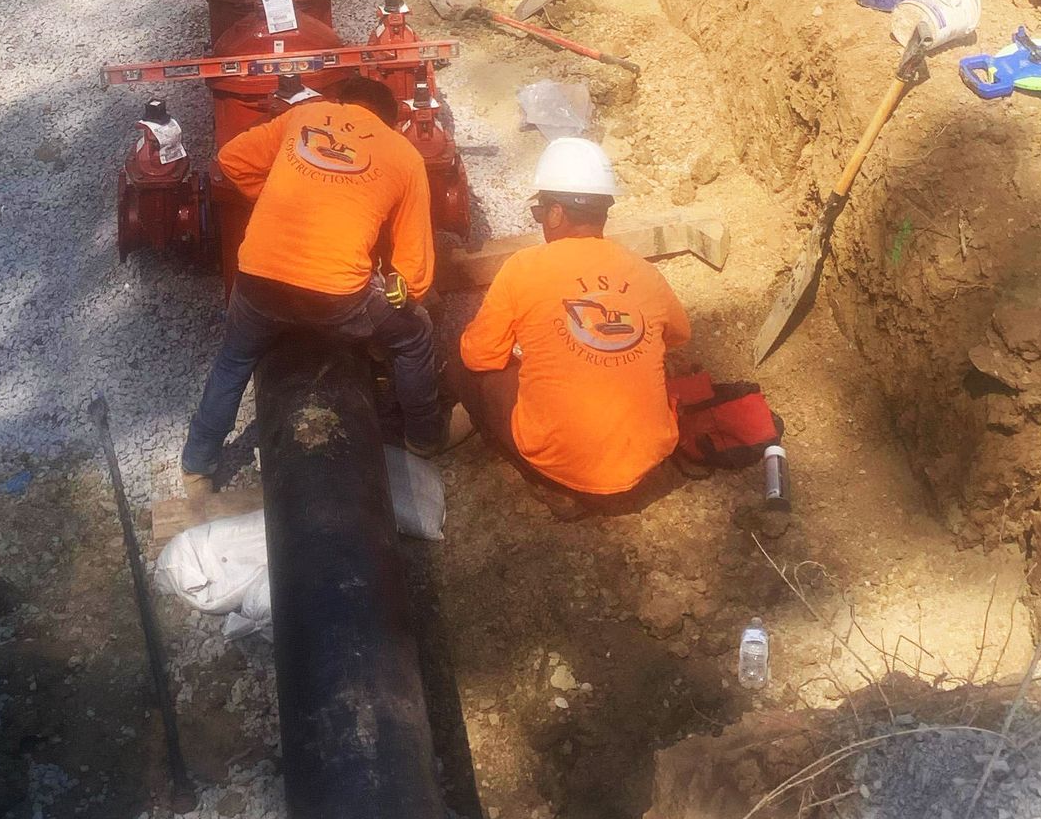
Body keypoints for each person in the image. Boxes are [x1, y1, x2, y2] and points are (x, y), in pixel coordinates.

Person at [180, 76, 450, 488]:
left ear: (340, 102)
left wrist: (268, 198)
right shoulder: (404, 154)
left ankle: (198, 463)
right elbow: (415, 266)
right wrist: (402, 295)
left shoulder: (303, 116)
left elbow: (232, 158)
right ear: (391, 120)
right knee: (414, 335)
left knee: (233, 359)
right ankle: (424, 437)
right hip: (337, 295)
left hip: (258, 276)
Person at [446, 137, 690, 510]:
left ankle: (550, 481)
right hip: (647, 459)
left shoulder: (524, 268)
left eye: (539, 212)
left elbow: (480, 356)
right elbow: (677, 334)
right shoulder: (643, 271)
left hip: (564, 463)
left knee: (465, 366)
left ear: (556, 214)